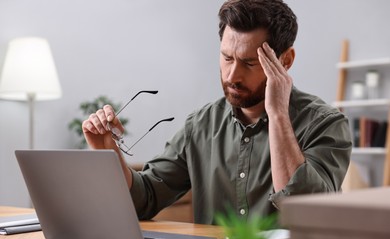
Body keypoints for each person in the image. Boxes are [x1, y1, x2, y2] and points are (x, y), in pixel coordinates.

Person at [82, 0, 352, 224]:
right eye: (227, 58)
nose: (232, 75)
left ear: (286, 60)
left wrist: (278, 115)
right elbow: (144, 200)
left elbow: (307, 213)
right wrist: (108, 152)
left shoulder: (326, 124)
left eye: (248, 62)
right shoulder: (200, 125)